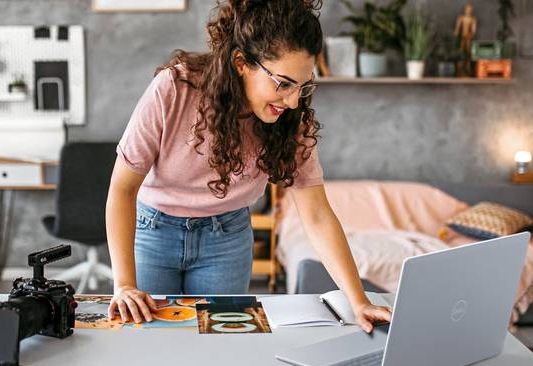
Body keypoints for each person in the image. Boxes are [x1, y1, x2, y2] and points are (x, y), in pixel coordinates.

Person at [106, 0, 392, 333]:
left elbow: (315, 215)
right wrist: (124, 284)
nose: (293, 101)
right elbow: (121, 189)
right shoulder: (175, 89)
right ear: (241, 62)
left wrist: (358, 301)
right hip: (153, 232)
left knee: (217, 352)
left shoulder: (291, 119)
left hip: (225, 239)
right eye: (284, 84)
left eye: (303, 85)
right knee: (147, 341)